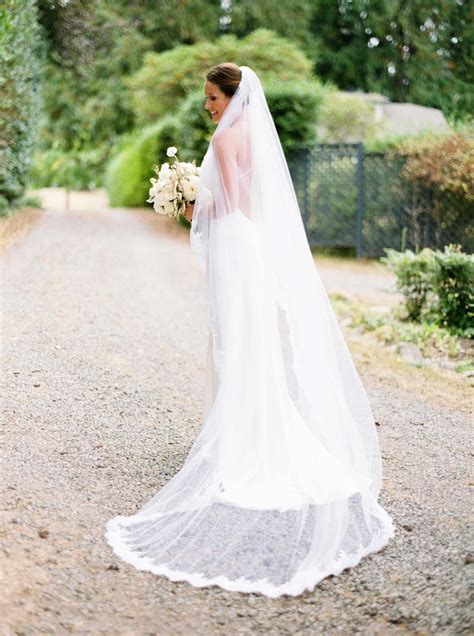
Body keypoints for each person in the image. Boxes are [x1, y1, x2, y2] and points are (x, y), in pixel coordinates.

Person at [106, 63, 395, 597]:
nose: (208, 106)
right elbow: (254, 201)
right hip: (252, 244)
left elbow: (229, 203)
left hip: (234, 245)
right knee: (249, 341)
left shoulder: (223, 141)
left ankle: (238, 438)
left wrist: (190, 203)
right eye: (208, 99)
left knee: (233, 341)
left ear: (232, 96)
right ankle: (244, 425)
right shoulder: (253, 136)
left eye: (213, 97)